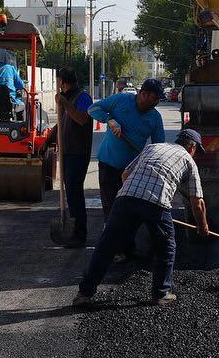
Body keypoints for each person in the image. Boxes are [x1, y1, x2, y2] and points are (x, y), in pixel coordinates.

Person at [72, 129, 211, 307]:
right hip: (156, 203)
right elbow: (197, 202)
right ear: (192, 147)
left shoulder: (152, 148)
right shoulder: (188, 161)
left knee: (107, 245)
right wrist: (202, 225)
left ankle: (84, 293)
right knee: (166, 247)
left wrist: (136, 199)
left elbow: (125, 175)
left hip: (125, 198)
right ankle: (161, 294)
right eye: (196, 150)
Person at [87, 79, 166, 261]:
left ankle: (128, 247)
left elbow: (159, 146)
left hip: (133, 170)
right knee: (112, 208)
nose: (157, 102)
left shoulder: (154, 117)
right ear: (144, 94)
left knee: (131, 210)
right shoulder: (121, 100)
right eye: (155, 98)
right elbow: (92, 109)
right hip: (109, 164)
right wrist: (110, 120)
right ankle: (111, 250)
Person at [48, 67, 93, 247]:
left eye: (58, 80)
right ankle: (76, 231)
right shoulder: (66, 98)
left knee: (75, 194)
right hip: (67, 152)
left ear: (62, 82)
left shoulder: (82, 97)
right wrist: (47, 141)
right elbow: (61, 123)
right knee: (71, 193)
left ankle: (80, 234)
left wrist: (65, 104)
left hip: (78, 153)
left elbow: (82, 119)